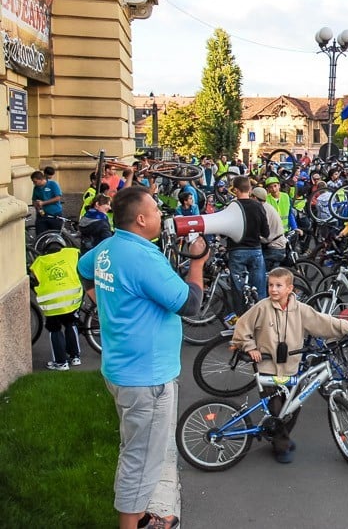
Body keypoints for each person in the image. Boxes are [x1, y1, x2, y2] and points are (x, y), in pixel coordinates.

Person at [78, 185, 207, 529]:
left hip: (122, 371)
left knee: (134, 446)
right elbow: (191, 304)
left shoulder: (109, 247)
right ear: (140, 219)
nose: (160, 215)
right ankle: (131, 523)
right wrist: (198, 262)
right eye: (155, 210)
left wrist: (104, 305)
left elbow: (83, 268)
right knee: (141, 458)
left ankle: (141, 516)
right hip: (147, 379)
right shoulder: (144, 258)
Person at [230, 267, 348, 463]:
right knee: (276, 409)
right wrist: (250, 347)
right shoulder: (262, 307)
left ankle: (279, 436)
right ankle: (281, 446)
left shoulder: (301, 310)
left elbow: (323, 322)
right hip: (267, 369)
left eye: (278, 286)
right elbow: (243, 327)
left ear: (290, 288)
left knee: (293, 408)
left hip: (292, 368)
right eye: (270, 285)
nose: (273, 290)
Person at [30, 236, 84, 370]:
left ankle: (61, 363)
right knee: (71, 323)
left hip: (52, 303)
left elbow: (35, 280)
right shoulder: (71, 253)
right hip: (72, 299)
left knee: (55, 329)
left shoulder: (39, 262)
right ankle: (75, 357)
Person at [227, 176, 270, 301]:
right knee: (259, 290)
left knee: (239, 290)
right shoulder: (258, 206)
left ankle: (241, 315)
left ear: (235, 190)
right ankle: (260, 315)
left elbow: (225, 230)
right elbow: (266, 232)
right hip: (255, 250)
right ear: (250, 189)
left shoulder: (232, 207)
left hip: (237, 250)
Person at [252, 186, 287, 271]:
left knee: (257, 269)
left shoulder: (262, 210)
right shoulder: (266, 207)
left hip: (274, 248)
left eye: (251, 196)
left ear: (255, 198)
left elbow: (263, 231)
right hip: (277, 244)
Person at [31, 169, 64, 236]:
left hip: (54, 214)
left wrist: (43, 203)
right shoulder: (36, 188)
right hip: (42, 215)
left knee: (55, 235)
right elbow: (34, 199)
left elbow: (58, 198)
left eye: (35, 181)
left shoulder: (53, 184)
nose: (34, 183)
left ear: (41, 179)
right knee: (41, 235)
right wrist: (36, 206)